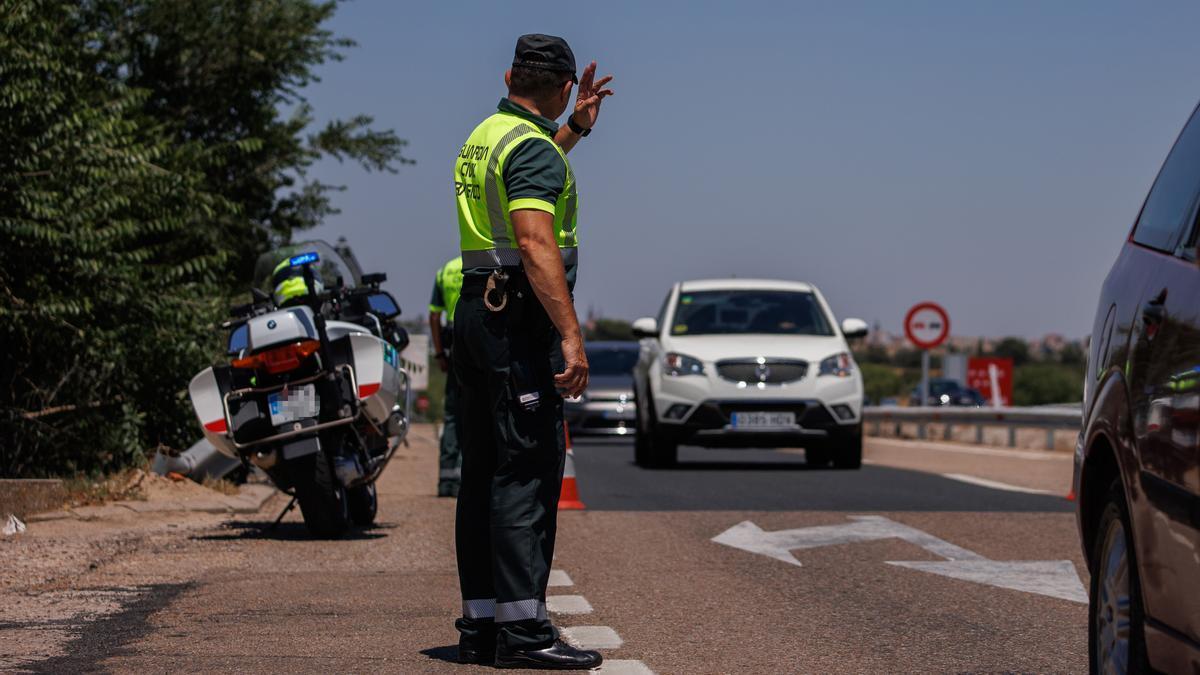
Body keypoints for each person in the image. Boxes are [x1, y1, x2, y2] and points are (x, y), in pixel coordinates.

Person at [451, 34, 613, 670]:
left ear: (510, 74)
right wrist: (570, 335)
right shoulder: (532, 152)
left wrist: (574, 129)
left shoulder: (488, 133)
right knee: (526, 475)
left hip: (477, 315)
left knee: (484, 475)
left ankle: (483, 627)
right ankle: (525, 636)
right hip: (518, 324)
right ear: (567, 84)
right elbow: (535, 242)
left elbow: (524, 175)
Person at [429, 255, 464, 497]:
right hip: (476, 337)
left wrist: (439, 352)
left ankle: (446, 481)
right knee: (477, 411)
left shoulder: (445, 271)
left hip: (452, 342)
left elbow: (434, 316)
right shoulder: (484, 264)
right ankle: (468, 476)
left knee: (452, 414)